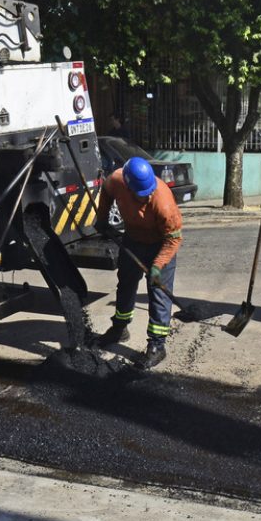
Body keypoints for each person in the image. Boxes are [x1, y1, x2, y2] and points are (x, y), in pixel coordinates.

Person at [93, 156, 182, 369]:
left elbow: (174, 239)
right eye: (141, 195)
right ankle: (119, 328)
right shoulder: (117, 180)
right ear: (128, 186)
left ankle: (157, 346)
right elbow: (105, 191)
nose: (147, 196)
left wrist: (158, 265)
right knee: (125, 285)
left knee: (158, 295)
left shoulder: (164, 203)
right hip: (132, 240)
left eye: (148, 192)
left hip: (160, 245)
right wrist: (102, 218)